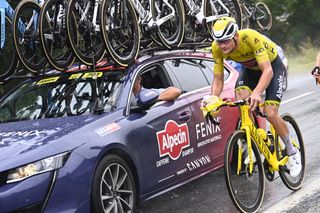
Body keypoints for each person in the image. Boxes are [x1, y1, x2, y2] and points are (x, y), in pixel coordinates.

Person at [209, 16, 301, 177]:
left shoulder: (250, 37)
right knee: (241, 98)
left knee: (270, 112)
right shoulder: (216, 48)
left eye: (225, 41)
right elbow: (218, 79)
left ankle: (292, 151)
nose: (222, 45)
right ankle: (256, 142)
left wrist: (258, 93)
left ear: (235, 36)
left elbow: (267, 71)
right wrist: (212, 99)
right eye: (219, 41)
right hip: (250, 71)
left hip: (272, 67)